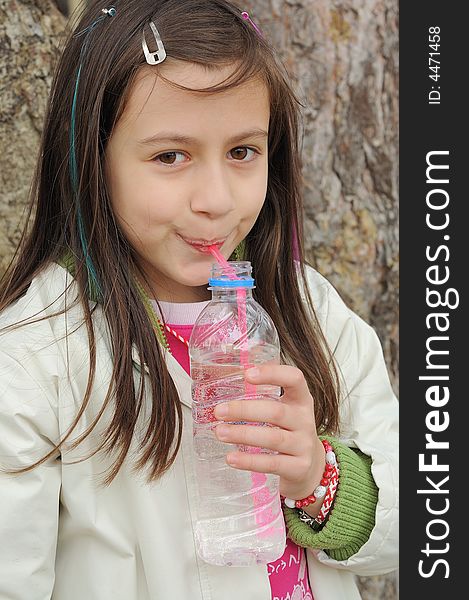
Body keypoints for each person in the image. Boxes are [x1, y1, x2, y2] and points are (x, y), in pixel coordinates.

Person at [0, 1, 398, 598]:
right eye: (170, 156)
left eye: (242, 152)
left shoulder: (311, 310)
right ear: (91, 161)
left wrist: (318, 476)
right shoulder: (36, 361)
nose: (215, 199)